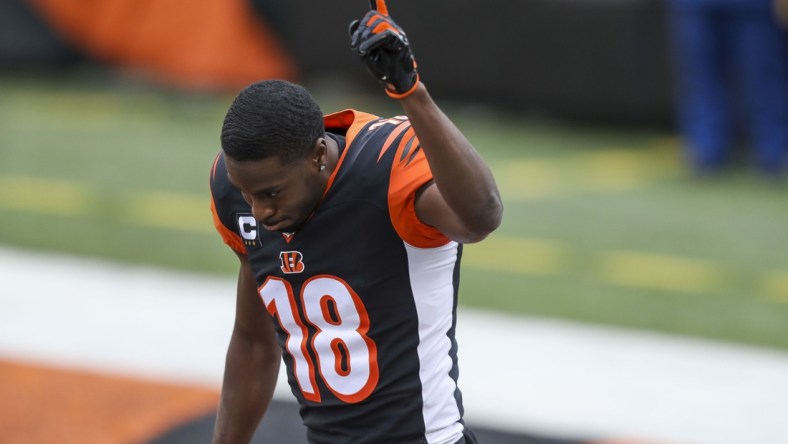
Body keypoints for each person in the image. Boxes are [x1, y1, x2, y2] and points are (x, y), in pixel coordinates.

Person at [208, 2, 503, 443]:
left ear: (318, 155)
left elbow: (479, 217)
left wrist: (412, 92)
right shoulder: (239, 190)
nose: (259, 211)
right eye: (247, 194)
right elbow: (254, 342)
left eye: (270, 194)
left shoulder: (386, 165)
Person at [666, 0, 788, 179]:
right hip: (696, 5)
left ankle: (775, 151)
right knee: (699, 76)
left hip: (754, 7)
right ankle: (706, 150)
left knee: (764, 76)